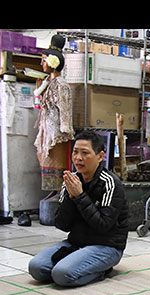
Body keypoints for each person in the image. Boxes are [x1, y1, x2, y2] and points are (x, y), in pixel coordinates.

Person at [28, 130, 128, 287]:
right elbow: (62, 225)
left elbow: (103, 226)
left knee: (62, 275)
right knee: (36, 268)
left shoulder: (110, 183)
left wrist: (80, 196)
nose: (78, 158)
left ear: (100, 156)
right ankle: (78, 263)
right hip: (76, 243)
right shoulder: (71, 181)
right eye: (75, 152)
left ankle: (102, 270)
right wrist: (71, 196)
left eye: (85, 153)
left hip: (107, 246)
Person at [31, 34, 74, 226]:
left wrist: (65, 130)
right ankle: (53, 192)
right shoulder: (49, 83)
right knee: (46, 161)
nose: (42, 63)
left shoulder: (61, 85)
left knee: (57, 164)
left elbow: (64, 110)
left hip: (57, 134)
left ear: (53, 62)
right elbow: (40, 107)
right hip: (46, 131)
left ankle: (59, 193)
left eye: (44, 60)